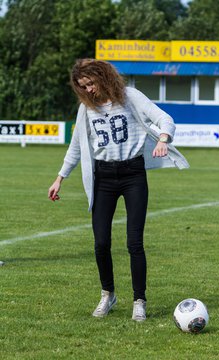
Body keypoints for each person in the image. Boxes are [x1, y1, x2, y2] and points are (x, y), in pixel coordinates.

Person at [48, 59, 189, 321]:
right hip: (103, 177)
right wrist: (60, 178)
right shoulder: (85, 109)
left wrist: (163, 139)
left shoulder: (130, 97)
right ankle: (108, 294)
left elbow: (165, 119)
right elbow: (76, 147)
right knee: (101, 242)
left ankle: (139, 300)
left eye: (91, 82)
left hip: (133, 174)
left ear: (103, 76)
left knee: (134, 242)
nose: (88, 89)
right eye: (83, 86)